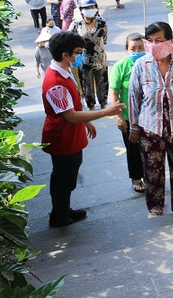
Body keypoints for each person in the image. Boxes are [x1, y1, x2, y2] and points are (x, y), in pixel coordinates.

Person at [42, 31, 123, 227]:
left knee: (66, 175)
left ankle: (62, 209)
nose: (79, 56)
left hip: (69, 134)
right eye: (77, 52)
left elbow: (72, 106)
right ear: (65, 54)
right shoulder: (56, 83)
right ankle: (59, 216)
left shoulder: (63, 70)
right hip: (63, 138)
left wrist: (86, 121)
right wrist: (105, 112)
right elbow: (69, 116)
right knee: (64, 178)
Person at [129, 22, 173, 216]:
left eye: (158, 40)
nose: (153, 45)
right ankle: (155, 207)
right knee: (152, 172)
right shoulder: (141, 65)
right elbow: (134, 97)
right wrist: (133, 128)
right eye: (149, 41)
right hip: (150, 129)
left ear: (170, 41)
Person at [109, 33, 146, 194]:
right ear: (126, 49)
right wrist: (119, 117)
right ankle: (136, 177)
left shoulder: (150, 63)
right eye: (133, 48)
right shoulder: (120, 66)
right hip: (129, 117)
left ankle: (152, 176)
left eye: (140, 48)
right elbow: (115, 93)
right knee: (133, 150)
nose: (136, 51)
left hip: (149, 117)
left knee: (151, 150)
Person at [69, 0, 109, 110]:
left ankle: (104, 103)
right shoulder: (76, 24)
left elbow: (105, 39)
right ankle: (91, 105)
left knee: (103, 81)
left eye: (92, 7)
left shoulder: (102, 22)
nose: (89, 9)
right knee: (87, 83)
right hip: (84, 59)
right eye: (86, 7)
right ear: (81, 10)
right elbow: (69, 38)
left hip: (101, 58)